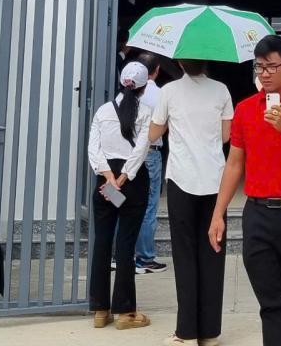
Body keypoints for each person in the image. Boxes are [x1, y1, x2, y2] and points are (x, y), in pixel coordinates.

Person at [209, 35, 281, 346]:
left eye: (272, 66)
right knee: (271, 304)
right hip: (259, 215)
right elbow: (234, 164)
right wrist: (218, 213)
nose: (265, 74)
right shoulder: (246, 109)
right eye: (260, 67)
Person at [149, 58, 234, 346]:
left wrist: (171, 124)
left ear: (180, 62)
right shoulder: (221, 90)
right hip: (214, 179)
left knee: (184, 254)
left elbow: (153, 133)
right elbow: (226, 135)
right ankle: (210, 332)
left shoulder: (169, 91)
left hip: (181, 178)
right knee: (213, 250)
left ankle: (186, 331)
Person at [86, 60, 154, 330]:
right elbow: (142, 149)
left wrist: (108, 177)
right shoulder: (146, 112)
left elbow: (93, 149)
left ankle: (100, 310)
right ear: (144, 87)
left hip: (106, 183)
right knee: (126, 245)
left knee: (102, 242)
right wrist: (124, 177)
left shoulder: (103, 111)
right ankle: (125, 312)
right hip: (132, 182)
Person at [128, 51, 168, 275]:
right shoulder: (160, 95)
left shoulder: (125, 93)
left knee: (124, 202)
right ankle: (144, 257)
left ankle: (120, 255)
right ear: (157, 70)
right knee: (148, 205)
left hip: (126, 152)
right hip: (150, 153)